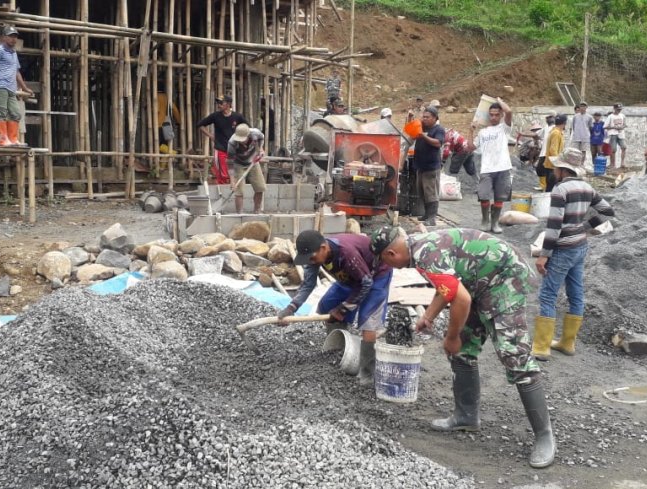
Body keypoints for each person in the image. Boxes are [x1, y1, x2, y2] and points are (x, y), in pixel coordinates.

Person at [370, 225, 555, 469]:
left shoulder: (426, 254)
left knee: (514, 355)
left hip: (503, 280)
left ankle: (544, 437)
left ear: (391, 254)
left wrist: (451, 336)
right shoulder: (418, 249)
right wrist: (429, 316)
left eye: (384, 261)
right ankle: (466, 416)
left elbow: (461, 299)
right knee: (464, 351)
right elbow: (448, 288)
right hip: (478, 282)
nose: (387, 266)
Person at [531, 148, 615, 361]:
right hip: (580, 246)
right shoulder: (587, 187)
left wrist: (544, 254)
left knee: (548, 295)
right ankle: (568, 343)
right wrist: (583, 227)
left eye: (556, 168)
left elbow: (554, 226)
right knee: (575, 293)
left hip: (562, 248)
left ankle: (541, 347)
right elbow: (608, 211)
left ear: (561, 169)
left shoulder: (560, 190)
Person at [279, 230, 392, 385]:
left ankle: (367, 373)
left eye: (312, 258)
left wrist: (343, 309)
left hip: (376, 275)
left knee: (368, 322)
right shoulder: (314, 258)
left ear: (324, 248)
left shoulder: (346, 253)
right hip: (351, 278)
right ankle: (340, 349)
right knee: (327, 305)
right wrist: (291, 308)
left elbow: (366, 283)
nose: (311, 262)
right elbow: (308, 285)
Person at [0, 26, 33, 148]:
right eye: (11, 36)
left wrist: (25, 87)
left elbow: (16, 72)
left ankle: (13, 139)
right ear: (4, 37)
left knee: (16, 114)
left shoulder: (13, 53)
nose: (13, 39)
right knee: (1, 113)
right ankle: (3, 140)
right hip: (1, 86)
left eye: (15, 36)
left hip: (12, 88)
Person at [471, 99, 513, 233]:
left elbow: (509, 111)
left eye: (496, 114)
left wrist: (499, 100)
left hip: (503, 167)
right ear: (488, 115)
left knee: (499, 197)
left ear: (500, 115)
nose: (494, 117)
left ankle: (495, 223)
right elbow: (470, 147)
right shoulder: (483, 132)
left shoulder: (504, 128)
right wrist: (471, 131)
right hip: (487, 169)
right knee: (483, 195)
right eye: (491, 114)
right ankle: (485, 221)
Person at [197, 95, 248, 185]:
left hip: (234, 150)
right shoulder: (215, 116)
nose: (218, 105)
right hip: (220, 149)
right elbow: (200, 125)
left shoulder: (237, 117)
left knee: (235, 174)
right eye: (218, 103)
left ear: (228, 104)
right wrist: (210, 136)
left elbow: (248, 128)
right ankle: (223, 193)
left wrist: (244, 141)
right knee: (222, 175)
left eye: (221, 103)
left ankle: (233, 194)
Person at [413, 106, 445, 226]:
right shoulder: (423, 127)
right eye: (424, 116)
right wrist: (411, 118)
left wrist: (424, 136)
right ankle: (427, 214)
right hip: (421, 166)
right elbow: (410, 129)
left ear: (435, 118)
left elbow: (438, 143)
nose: (424, 119)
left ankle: (432, 218)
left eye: (427, 117)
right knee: (422, 191)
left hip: (431, 167)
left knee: (431, 193)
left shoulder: (438, 130)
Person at [226, 124, 266, 214]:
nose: (241, 142)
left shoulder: (255, 133)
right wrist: (232, 181)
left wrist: (260, 149)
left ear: (248, 136)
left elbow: (261, 137)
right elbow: (229, 162)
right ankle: (240, 214)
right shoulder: (232, 142)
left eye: (243, 139)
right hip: (238, 164)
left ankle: (257, 211)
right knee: (239, 191)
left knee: (260, 187)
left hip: (253, 161)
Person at [542, 114, 566, 192]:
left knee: (550, 187)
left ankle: (548, 203)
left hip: (550, 164)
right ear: (564, 123)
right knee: (552, 188)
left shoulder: (555, 131)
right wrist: (558, 164)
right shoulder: (556, 133)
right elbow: (553, 150)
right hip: (553, 166)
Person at [535, 111, 556, 189]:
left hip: (550, 153)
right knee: (540, 169)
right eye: (547, 118)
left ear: (554, 118)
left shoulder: (555, 128)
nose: (548, 119)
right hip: (543, 152)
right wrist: (523, 134)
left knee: (548, 172)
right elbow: (536, 134)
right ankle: (543, 186)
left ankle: (547, 188)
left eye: (550, 117)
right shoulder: (546, 128)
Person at [606, 103, 627, 169]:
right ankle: (613, 164)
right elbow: (606, 126)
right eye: (618, 109)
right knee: (613, 149)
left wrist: (622, 127)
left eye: (620, 109)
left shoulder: (623, 116)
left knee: (624, 147)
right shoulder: (610, 117)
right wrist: (613, 127)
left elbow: (625, 124)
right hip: (612, 134)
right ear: (614, 109)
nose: (619, 111)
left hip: (621, 134)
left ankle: (622, 163)